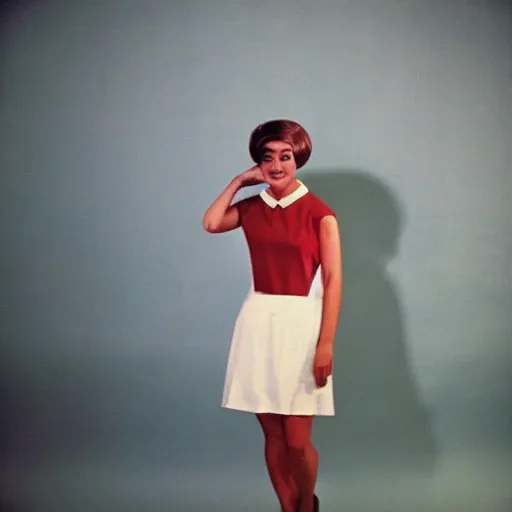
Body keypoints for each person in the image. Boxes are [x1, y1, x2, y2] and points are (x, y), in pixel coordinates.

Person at [202, 119, 343, 512]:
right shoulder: (250, 208)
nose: (277, 165)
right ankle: (287, 507)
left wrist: (325, 344)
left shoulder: (320, 213)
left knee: (298, 439)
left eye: (286, 156)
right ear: (258, 163)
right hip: (258, 323)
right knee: (274, 436)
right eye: (268, 158)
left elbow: (333, 280)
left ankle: (306, 505)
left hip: (302, 326)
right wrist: (237, 182)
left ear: (298, 158)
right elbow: (212, 223)